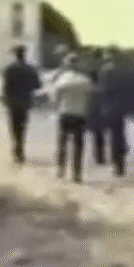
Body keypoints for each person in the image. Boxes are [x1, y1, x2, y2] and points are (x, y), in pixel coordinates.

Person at [50, 53, 95, 183]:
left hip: (64, 113)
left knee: (62, 142)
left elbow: (55, 98)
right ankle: (77, 173)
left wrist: (57, 107)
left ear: (66, 65)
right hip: (79, 114)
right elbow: (90, 98)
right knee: (78, 145)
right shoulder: (85, 80)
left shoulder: (62, 79)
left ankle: (61, 169)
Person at [1, 45, 41, 164]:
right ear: (24, 54)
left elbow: (6, 86)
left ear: (15, 55)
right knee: (23, 126)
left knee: (14, 126)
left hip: (13, 102)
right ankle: (20, 148)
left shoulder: (9, 69)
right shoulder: (31, 69)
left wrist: (5, 99)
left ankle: (16, 147)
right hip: (25, 102)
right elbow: (38, 85)